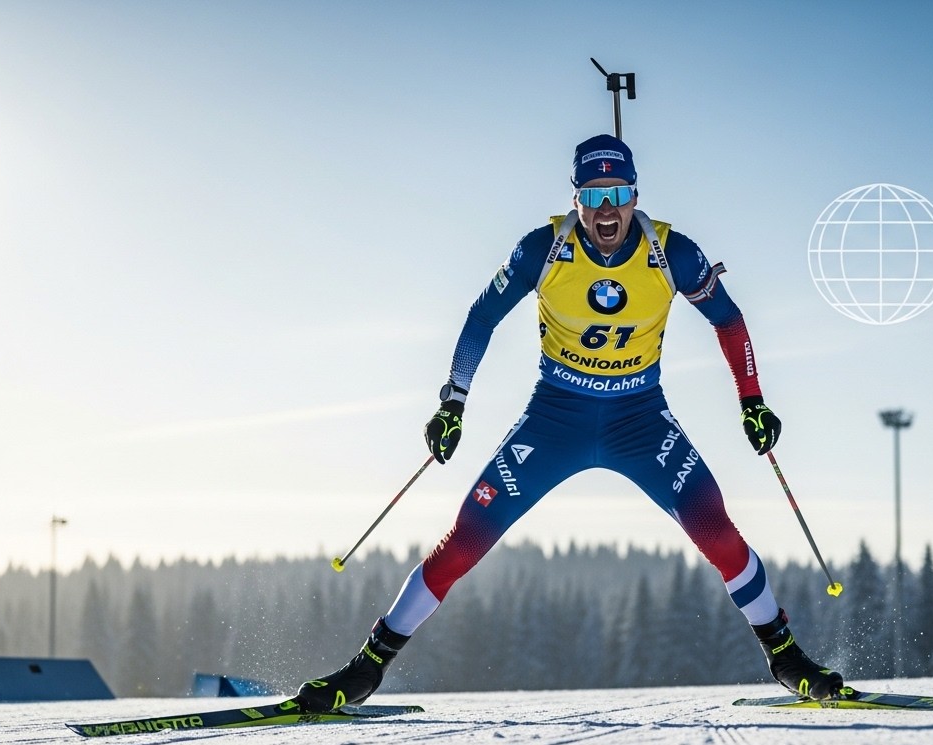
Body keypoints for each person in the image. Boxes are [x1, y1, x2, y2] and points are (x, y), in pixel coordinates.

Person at [295, 135, 843, 712]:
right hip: (555, 419)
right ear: (575, 198)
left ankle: (786, 656)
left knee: (715, 529)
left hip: (639, 420)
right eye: (594, 195)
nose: (607, 210)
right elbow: (481, 316)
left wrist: (752, 401)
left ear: (636, 196)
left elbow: (728, 320)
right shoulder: (544, 248)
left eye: (619, 194)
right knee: (464, 541)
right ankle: (367, 667)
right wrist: (453, 402)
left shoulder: (672, 253)